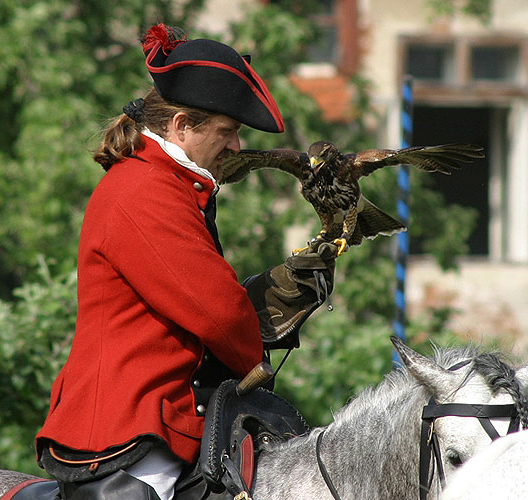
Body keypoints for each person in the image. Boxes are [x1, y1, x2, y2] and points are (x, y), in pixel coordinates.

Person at [34, 24, 336, 500]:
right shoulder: (145, 191)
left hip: (174, 414)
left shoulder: (168, 183)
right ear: (180, 126)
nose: (237, 146)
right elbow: (217, 311)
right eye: (227, 132)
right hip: (131, 425)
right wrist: (253, 352)